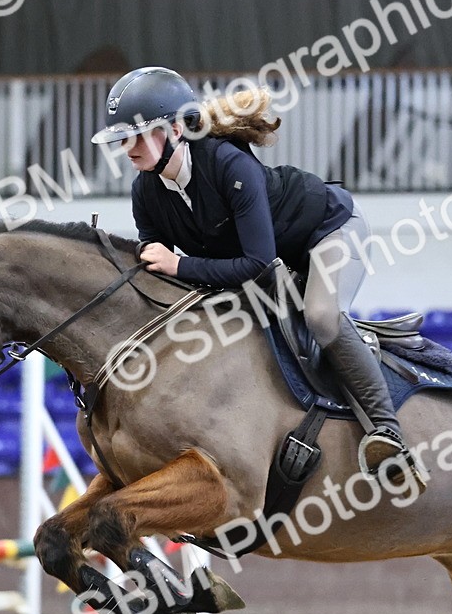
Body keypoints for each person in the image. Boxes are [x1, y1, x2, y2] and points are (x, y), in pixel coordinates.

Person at [91, 66, 410, 477]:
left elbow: (257, 264)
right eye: (121, 139)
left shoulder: (227, 165)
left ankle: (388, 432)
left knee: (320, 315)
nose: (126, 148)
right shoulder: (145, 192)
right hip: (272, 260)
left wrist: (180, 264)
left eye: (135, 135)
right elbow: (163, 280)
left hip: (329, 229)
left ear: (173, 131)